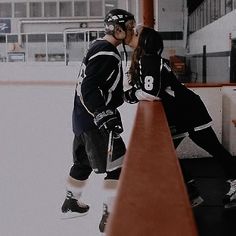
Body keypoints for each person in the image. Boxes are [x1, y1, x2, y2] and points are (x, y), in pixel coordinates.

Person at [124, 25, 236, 209]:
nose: (132, 35)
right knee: (162, 154)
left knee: (213, 148)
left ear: (143, 41)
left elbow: (150, 92)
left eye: (136, 34)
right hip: (179, 114)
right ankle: (190, 191)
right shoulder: (148, 59)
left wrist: (128, 96)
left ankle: (200, 189)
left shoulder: (150, 59)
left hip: (189, 112)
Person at [60, 9, 136, 233]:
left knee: (83, 163)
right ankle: (111, 215)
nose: (132, 30)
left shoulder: (98, 46)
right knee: (118, 167)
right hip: (96, 121)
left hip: (83, 119)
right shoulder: (107, 52)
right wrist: (103, 113)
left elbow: (101, 86)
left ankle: (71, 202)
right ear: (117, 29)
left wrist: (127, 95)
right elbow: (89, 87)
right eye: (129, 27)